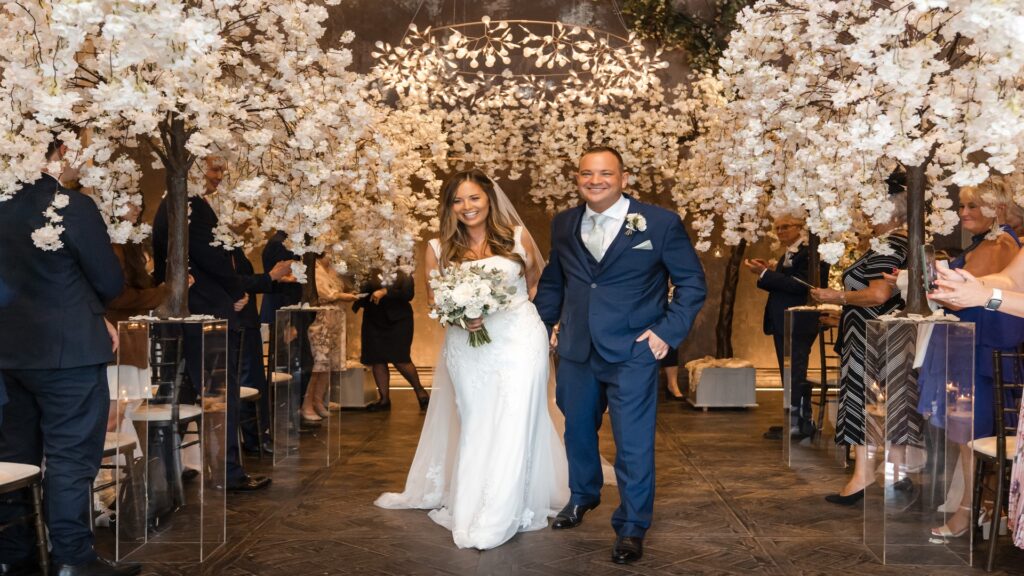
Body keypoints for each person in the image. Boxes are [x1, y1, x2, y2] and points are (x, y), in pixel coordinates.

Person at [375, 169, 569, 551]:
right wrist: (462, 313)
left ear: (489, 199)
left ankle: (503, 511)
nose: (467, 207)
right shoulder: (438, 248)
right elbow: (433, 300)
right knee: (478, 421)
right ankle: (475, 501)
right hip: (469, 345)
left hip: (519, 338)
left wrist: (536, 317)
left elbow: (536, 283)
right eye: (458, 201)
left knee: (516, 416)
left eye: (474, 198)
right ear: (449, 207)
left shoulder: (516, 237)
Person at [534, 146, 707, 564]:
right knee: (576, 431)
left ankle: (631, 526)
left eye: (605, 173)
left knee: (632, 444)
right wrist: (540, 329)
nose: (595, 181)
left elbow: (692, 284)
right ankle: (583, 496)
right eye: (587, 174)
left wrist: (665, 332)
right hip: (576, 349)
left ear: (624, 178)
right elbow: (555, 282)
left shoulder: (660, 223)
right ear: (577, 178)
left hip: (633, 350)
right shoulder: (563, 223)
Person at [0, 136, 139, 575]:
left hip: (7, 356)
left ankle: (15, 555)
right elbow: (109, 280)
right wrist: (96, 311)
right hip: (68, 355)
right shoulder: (70, 206)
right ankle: (72, 559)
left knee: (14, 459)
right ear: (57, 152)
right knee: (70, 459)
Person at [152, 156, 270, 492]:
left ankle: (164, 470)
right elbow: (210, 257)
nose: (220, 176)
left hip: (187, 315)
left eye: (222, 169)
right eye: (214, 169)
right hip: (207, 314)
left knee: (177, 393)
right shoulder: (191, 207)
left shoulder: (171, 206)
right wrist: (237, 290)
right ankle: (227, 471)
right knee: (220, 394)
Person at [915, 182, 1024, 537]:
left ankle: (980, 509)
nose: (964, 214)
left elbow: (999, 292)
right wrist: (972, 288)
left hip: (982, 350)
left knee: (974, 433)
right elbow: (1008, 282)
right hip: (969, 345)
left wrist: (982, 294)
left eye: (972, 207)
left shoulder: (1003, 241)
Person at [811, 177, 912, 506]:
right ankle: (894, 473)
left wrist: (836, 296)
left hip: (872, 341)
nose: (867, 215)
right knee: (884, 404)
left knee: (863, 403)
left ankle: (864, 475)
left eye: (873, 209)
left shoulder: (890, 245)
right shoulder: (894, 242)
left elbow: (879, 293)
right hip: (878, 336)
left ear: (892, 212)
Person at [744, 213, 828, 440]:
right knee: (789, 372)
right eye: (777, 228)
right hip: (785, 321)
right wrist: (769, 271)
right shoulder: (791, 254)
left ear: (801, 228)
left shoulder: (812, 253)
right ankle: (795, 421)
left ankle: (800, 424)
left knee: (795, 371)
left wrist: (764, 274)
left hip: (799, 321)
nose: (780, 232)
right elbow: (786, 281)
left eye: (785, 227)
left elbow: (800, 286)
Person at [353, 270, 430, 412]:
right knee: (377, 358)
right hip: (373, 317)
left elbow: (408, 294)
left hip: (398, 319)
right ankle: (384, 400)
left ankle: (421, 392)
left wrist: (385, 291)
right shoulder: (370, 267)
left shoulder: (404, 269)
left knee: (400, 358)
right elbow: (363, 289)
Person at [300, 257, 358, 424]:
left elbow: (339, 287)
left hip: (335, 319)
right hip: (321, 320)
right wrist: (341, 295)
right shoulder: (313, 267)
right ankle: (306, 403)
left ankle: (318, 400)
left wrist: (346, 293)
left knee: (328, 366)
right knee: (318, 364)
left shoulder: (332, 268)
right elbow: (323, 292)